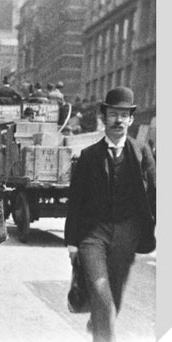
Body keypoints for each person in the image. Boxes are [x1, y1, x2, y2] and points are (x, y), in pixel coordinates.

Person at [65, 87, 156, 342]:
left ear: (130, 119)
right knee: (100, 290)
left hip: (127, 231)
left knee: (113, 294)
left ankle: (99, 321)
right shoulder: (88, 156)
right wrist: (72, 243)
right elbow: (76, 202)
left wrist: (150, 225)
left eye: (123, 115)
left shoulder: (141, 152)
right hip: (93, 233)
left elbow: (157, 192)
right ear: (105, 118)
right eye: (113, 114)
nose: (118, 120)